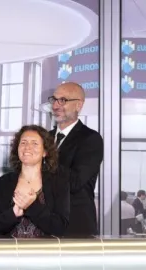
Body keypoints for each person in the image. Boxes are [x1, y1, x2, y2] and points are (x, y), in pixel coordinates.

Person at [0, 125, 69, 237]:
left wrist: (32, 206)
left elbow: (60, 228)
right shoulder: (2, 183)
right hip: (9, 248)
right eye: (23, 143)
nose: (27, 147)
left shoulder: (58, 183)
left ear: (45, 152)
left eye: (34, 143)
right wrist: (13, 214)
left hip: (45, 248)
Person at [48, 82, 103, 237]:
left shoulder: (91, 139)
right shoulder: (45, 137)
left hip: (76, 226)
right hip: (44, 225)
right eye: (54, 100)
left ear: (79, 105)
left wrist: (44, 160)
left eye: (63, 100)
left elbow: (75, 182)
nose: (55, 106)